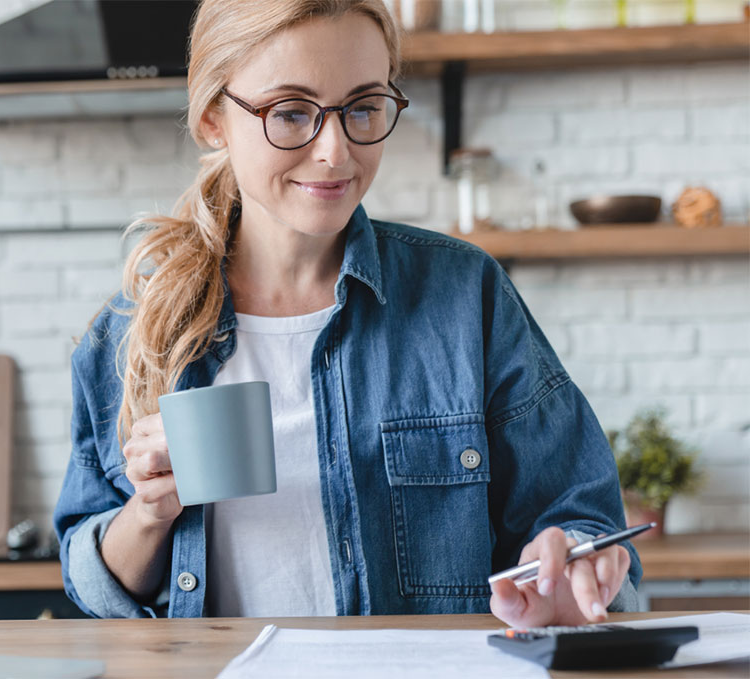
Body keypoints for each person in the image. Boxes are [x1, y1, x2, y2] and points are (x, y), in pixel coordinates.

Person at [53, 0, 640, 626]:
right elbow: (93, 586)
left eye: (362, 107)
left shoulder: (465, 295)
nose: (336, 152)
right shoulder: (131, 329)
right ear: (213, 120)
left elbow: (580, 516)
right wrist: (149, 512)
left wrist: (573, 569)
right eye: (290, 113)